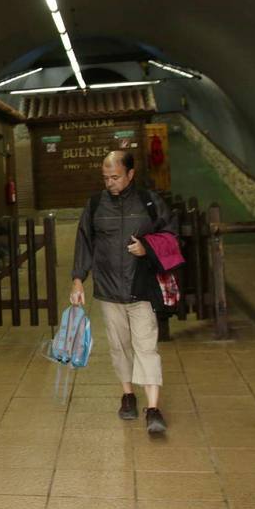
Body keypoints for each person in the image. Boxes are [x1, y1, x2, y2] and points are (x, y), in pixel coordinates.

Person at [70, 150, 177, 434]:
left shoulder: (149, 202)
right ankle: (128, 394)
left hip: (142, 287)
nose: (110, 182)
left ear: (130, 174)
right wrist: (78, 279)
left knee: (146, 346)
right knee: (119, 346)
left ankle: (153, 408)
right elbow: (84, 242)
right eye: (106, 178)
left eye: (115, 177)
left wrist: (147, 248)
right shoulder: (95, 205)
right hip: (108, 289)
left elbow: (171, 235)